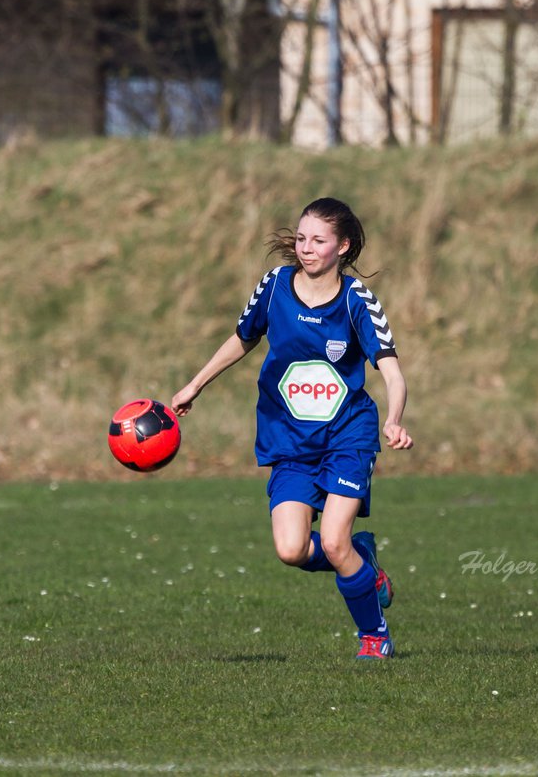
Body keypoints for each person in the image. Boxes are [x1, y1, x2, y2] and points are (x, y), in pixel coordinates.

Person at [172, 197, 413, 661]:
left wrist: (394, 418)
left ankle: (374, 637)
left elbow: (392, 370)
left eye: (318, 241)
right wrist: (193, 385)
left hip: (348, 437)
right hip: (290, 441)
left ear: (342, 246)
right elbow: (242, 338)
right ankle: (363, 563)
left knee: (336, 540)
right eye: (301, 238)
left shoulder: (356, 300)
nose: (305, 248)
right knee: (291, 549)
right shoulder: (275, 285)